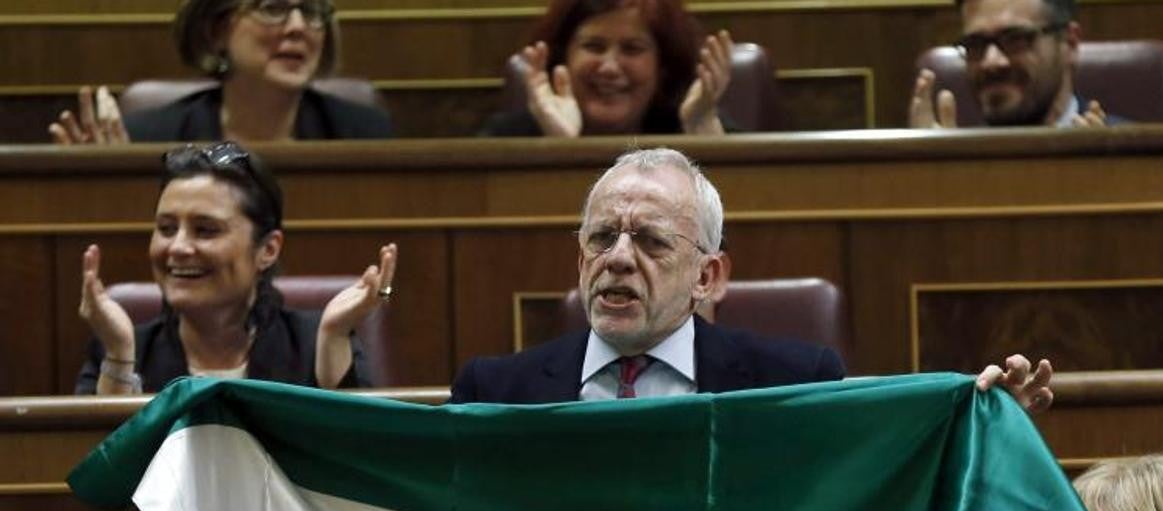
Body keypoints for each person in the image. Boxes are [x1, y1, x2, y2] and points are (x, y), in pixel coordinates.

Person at [450, 147, 1054, 409]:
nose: (619, 258)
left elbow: (874, 491)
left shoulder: (793, 382)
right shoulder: (494, 391)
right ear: (580, 259)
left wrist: (986, 426)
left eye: (653, 241)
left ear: (707, 277)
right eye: (602, 238)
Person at [74, 141, 397, 395]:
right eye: (167, 228)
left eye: (205, 230)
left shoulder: (315, 341)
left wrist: (332, 340)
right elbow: (101, 468)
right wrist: (118, 356)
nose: (179, 247)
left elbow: (354, 462)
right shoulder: (122, 349)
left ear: (267, 250)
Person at [49, 0, 392, 144]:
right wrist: (104, 184)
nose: (298, 27)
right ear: (217, 31)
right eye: (273, 8)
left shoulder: (363, 133)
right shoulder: (149, 138)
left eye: (312, 10)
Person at [479, 0, 734, 137]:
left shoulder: (697, 124)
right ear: (562, 60)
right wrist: (561, 151)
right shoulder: (507, 139)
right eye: (594, 46)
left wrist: (705, 144)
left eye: (632, 49)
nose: (610, 67)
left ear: (663, 67)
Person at [910, 0, 1118, 128]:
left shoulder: (1135, 159)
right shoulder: (960, 159)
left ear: (1069, 43)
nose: (991, 62)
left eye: (1015, 39)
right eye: (976, 44)